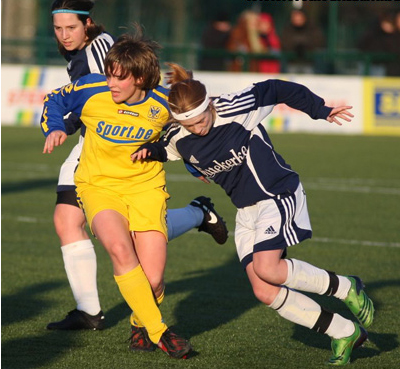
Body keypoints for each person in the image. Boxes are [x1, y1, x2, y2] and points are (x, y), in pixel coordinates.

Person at [131, 63, 375, 366]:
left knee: (268, 268)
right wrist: (146, 151)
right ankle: (345, 331)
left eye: (201, 119)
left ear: (209, 104)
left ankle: (345, 286)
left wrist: (320, 110)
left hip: (278, 193)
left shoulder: (236, 107)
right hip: (246, 211)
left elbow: (276, 88)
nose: (198, 128)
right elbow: (162, 150)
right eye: (190, 125)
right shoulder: (178, 137)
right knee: (264, 290)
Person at [47, 0, 228, 332]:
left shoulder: (100, 52)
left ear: (87, 24)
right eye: (57, 29)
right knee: (71, 221)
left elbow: (109, 95)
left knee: (114, 231)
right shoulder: (81, 51)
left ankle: (197, 214)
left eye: (70, 27)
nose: (63, 35)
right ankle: (89, 311)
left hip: (109, 144)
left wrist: (67, 123)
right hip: (98, 140)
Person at [41, 32, 196, 359]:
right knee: (118, 247)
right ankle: (160, 332)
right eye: (110, 74)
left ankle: (140, 323)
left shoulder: (162, 103)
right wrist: (54, 126)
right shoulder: (92, 88)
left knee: (152, 281)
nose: (111, 82)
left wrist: (200, 167)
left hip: (146, 188)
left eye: (119, 77)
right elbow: (54, 100)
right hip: (98, 186)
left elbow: (189, 136)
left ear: (140, 79)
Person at [281, 9, 325, 74]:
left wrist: (304, 46)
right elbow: (285, 44)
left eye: (299, 17)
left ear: (304, 18)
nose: (297, 19)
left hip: (308, 63)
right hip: (292, 63)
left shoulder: (312, 28)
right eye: (295, 17)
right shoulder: (287, 30)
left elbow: (318, 42)